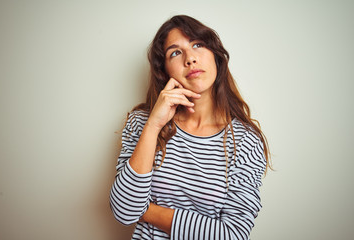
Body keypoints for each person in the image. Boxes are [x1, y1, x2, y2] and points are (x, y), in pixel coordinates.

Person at [110, 15, 271, 240]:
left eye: (198, 45)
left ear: (216, 56)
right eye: (175, 52)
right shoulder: (141, 123)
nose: (190, 59)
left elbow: (233, 235)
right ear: (164, 70)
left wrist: (147, 211)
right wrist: (154, 124)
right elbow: (124, 211)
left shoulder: (245, 141)